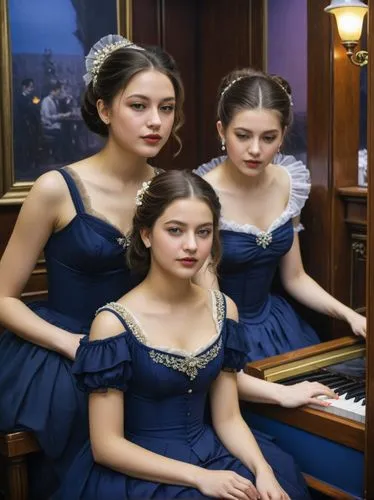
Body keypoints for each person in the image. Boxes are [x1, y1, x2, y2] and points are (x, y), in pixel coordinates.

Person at [0, 34, 184, 498]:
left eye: (167, 108)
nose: (155, 122)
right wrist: (71, 343)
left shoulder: (170, 190)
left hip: (142, 348)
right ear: (104, 110)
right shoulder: (55, 188)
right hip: (65, 353)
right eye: (139, 106)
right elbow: (1, 297)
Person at [60, 169, 310, 500]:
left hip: (215, 455)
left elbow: (229, 418)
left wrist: (263, 471)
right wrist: (199, 478)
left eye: (203, 232)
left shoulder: (224, 309)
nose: (191, 246)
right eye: (175, 231)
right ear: (146, 234)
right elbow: (106, 447)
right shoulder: (112, 323)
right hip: (142, 474)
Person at [194, 68, 366, 368]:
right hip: (221, 328)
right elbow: (209, 302)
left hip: (280, 324)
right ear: (221, 131)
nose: (256, 150)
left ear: (283, 136)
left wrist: (350, 315)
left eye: (269, 137)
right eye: (243, 136)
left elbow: (295, 277)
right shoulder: (201, 195)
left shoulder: (289, 182)